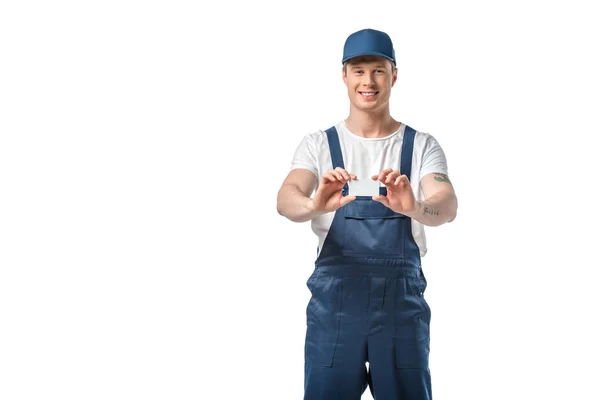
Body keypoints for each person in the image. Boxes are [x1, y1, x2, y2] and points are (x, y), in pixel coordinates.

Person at [276, 28, 458, 400]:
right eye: (358, 70)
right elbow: (286, 197)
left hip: (400, 311)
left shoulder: (421, 145)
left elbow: (447, 204)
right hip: (335, 310)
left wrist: (414, 207)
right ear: (344, 76)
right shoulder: (318, 144)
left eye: (378, 70)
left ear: (394, 74)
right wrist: (314, 205)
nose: (368, 81)